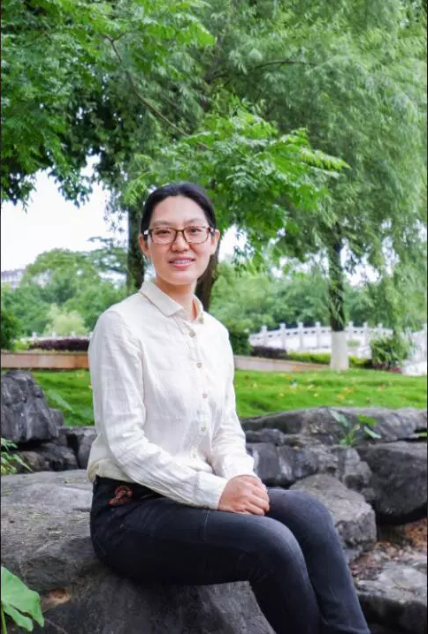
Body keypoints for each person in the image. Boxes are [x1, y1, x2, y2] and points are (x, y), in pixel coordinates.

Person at [88, 182, 370, 634]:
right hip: (130, 512)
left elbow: (224, 430)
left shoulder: (215, 334)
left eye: (193, 231)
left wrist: (241, 480)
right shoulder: (120, 325)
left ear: (213, 240)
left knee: (310, 515)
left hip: (196, 500)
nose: (181, 244)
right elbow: (125, 444)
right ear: (145, 244)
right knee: (272, 543)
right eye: (164, 232)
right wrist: (217, 493)